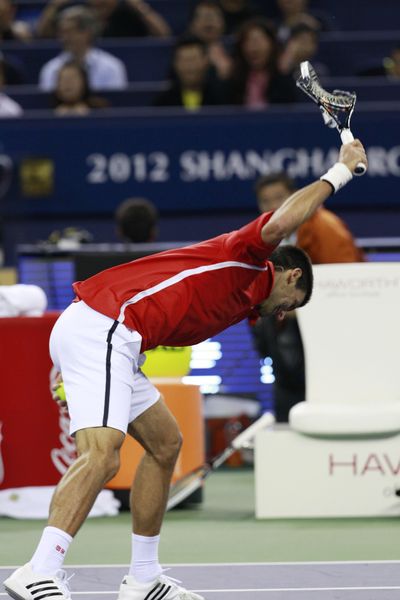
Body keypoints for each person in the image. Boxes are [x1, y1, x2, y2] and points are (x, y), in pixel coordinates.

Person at [3, 140, 367, 600]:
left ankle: (143, 576)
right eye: (288, 305)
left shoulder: (242, 305)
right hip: (105, 327)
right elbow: (284, 220)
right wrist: (340, 172)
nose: (281, 314)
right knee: (103, 453)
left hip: (113, 339)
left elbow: (168, 306)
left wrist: (75, 364)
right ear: (290, 275)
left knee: (165, 443)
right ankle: (38, 569)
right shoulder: (247, 257)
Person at [251, 171, 364, 421]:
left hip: (325, 347)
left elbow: (349, 288)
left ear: (295, 197)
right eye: (265, 201)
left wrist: (303, 308)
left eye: (279, 198)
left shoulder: (326, 228)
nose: (272, 207)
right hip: (285, 351)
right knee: (288, 415)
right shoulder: (266, 237)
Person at [39, 6, 128, 92]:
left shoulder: (111, 67)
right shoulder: (51, 69)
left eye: (69, 32)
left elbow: (116, 102)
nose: (64, 38)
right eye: (62, 33)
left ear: (87, 33)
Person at [228, 18, 297, 107]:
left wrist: (283, 74)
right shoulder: (234, 78)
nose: (254, 46)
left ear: (272, 45)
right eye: (248, 40)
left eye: (259, 40)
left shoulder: (284, 75)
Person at [155, 35, 228, 109]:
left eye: (193, 59)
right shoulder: (163, 103)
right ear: (175, 64)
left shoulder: (223, 98)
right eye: (184, 60)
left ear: (206, 61)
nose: (189, 66)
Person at [36, 0, 171, 39]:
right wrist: (53, 5)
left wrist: (140, 7)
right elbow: (42, 35)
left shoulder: (129, 13)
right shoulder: (77, 14)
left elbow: (163, 34)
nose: (99, 2)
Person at [186, 0, 232, 80]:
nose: (208, 21)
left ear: (223, 24)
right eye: (203, 17)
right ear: (192, 25)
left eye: (214, 17)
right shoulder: (181, 51)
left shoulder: (235, 50)